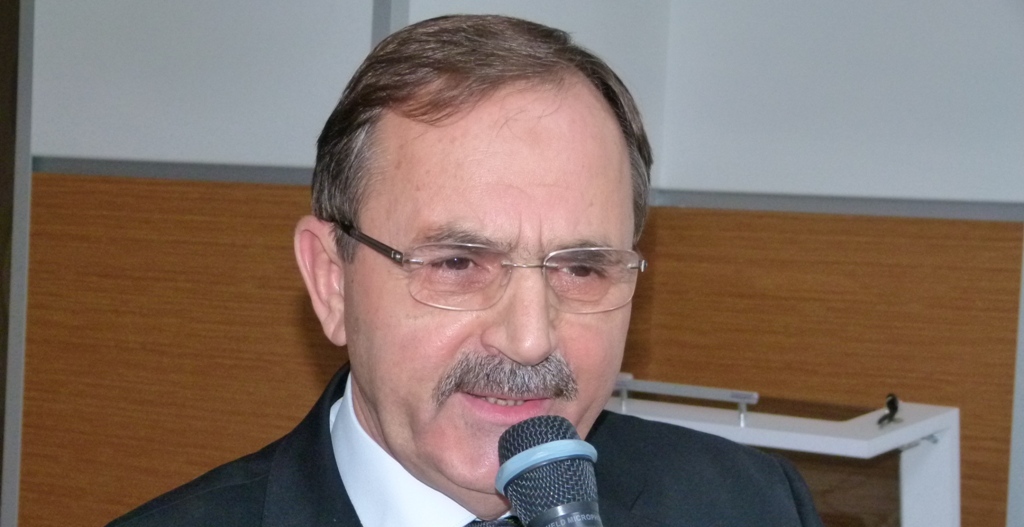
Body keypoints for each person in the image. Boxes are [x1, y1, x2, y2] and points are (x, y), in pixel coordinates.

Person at [109, 14, 823, 527]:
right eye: (457, 263)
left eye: (580, 269)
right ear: (332, 280)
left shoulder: (748, 502)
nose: (529, 340)